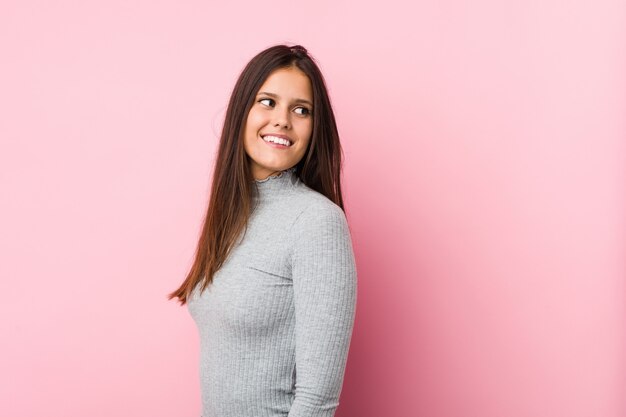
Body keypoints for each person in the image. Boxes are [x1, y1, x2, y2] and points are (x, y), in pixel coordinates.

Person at [168, 44, 357, 417]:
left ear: (314, 128)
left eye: (300, 110)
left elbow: (317, 401)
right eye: (267, 102)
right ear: (243, 111)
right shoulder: (229, 216)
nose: (282, 120)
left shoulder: (317, 223)